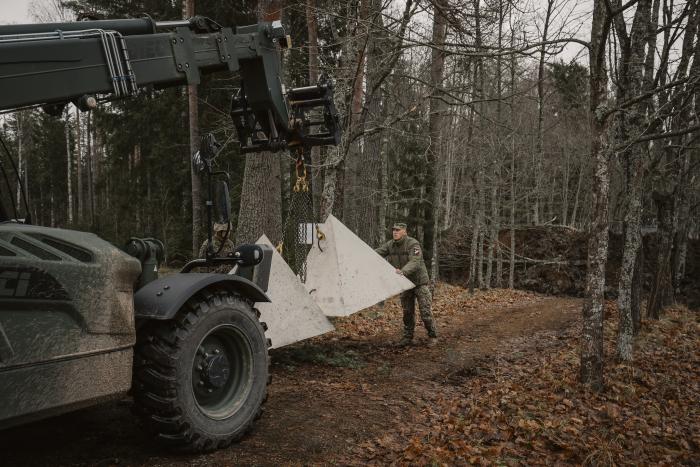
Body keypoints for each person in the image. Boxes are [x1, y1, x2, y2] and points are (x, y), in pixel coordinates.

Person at [375, 222, 437, 347]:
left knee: (425, 312)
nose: (395, 232)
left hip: (419, 283)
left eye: (398, 230)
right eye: (393, 230)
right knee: (407, 312)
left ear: (404, 231)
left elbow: (415, 261)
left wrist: (403, 271)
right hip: (404, 283)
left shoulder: (413, 244)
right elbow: (376, 253)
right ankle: (408, 337)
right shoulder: (390, 245)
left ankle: (432, 335)